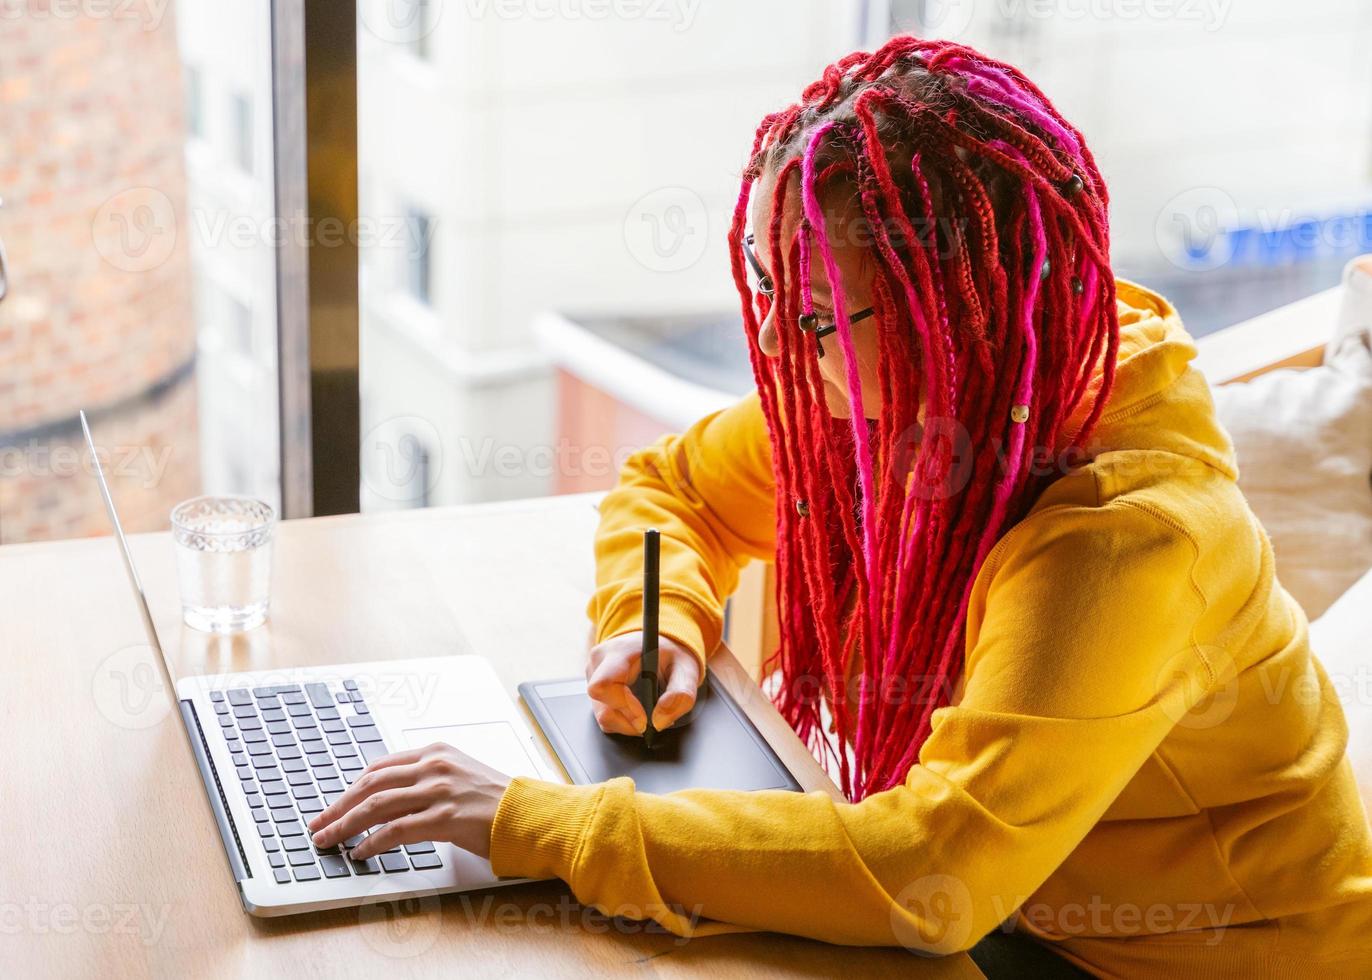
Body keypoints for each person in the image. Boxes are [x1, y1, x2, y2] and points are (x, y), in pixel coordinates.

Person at [309, 35, 1372, 975]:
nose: (773, 347)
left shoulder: (1128, 538)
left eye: (815, 314)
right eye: (769, 289)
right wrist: (651, 620)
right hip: (1012, 913)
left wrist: (534, 825)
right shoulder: (898, 401)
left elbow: (929, 871)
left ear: (953, 314)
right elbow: (670, 489)